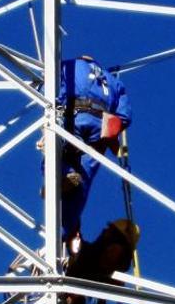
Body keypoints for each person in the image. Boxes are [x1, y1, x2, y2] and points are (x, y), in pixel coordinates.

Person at [54, 56, 132, 243]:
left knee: (54, 151)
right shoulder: (114, 81)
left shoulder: (70, 65)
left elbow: (54, 92)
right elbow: (124, 115)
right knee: (84, 178)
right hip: (101, 127)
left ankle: (59, 178)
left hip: (75, 115)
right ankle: (66, 231)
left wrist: (55, 110)